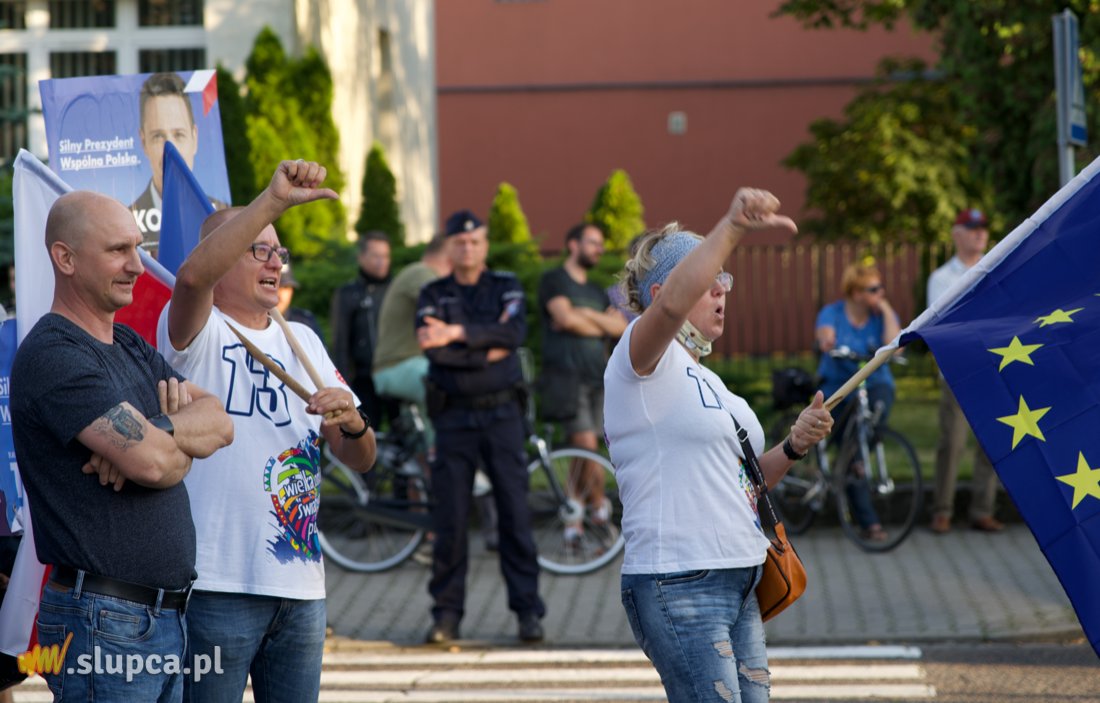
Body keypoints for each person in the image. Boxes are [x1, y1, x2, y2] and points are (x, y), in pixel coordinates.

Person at [157, 160, 377, 703]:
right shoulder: (196, 332)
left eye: (279, 251)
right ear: (226, 254)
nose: (275, 261)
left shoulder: (302, 336)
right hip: (215, 586)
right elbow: (191, 279)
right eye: (259, 248)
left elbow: (360, 456)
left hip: (300, 589)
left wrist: (353, 421)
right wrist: (272, 201)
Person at [604, 190, 832, 703]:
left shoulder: (710, 381)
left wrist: (793, 446)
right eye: (711, 281)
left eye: (725, 281)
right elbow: (670, 306)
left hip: (740, 577)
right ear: (668, 291)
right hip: (678, 581)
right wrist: (731, 227)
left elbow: (744, 484)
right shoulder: (639, 358)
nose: (722, 291)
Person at [12, 190, 233, 702]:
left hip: (158, 618)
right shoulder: (53, 354)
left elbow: (220, 420)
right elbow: (154, 465)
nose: (137, 264)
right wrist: (160, 445)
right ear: (64, 258)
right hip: (103, 621)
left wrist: (160, 429)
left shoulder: (130, 344)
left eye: (136, 247)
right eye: (118, 250)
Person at [416, 209, 545, 644]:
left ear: (484, 246)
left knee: (515, 514)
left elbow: (512, 336)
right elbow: (436, 355)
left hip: (502, 416)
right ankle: (446, 616)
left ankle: (529, 613)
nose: (467, 247)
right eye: (460, 242)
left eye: (475, 241)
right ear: (450, 247)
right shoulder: (432, 292)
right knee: (450, 519)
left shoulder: (506, 285)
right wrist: (485, 348)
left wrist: (453, 334)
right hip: (453, 417)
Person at [537, 223, 626, 542]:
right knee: (586, 446)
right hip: (567, 378)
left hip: (598, 377)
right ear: (573, 244)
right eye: (593, 243)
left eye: (601, 244)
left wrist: (581, 318)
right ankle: (598, 511)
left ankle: (575, 516)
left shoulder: (595, 291)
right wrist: (594, 322)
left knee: (587, 449)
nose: (599, 249)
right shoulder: (554, 280)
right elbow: (565, 319)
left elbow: (618, 329)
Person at [929, 209, 1003, 533]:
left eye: (983, 228)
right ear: (956, 233)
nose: (979, 233)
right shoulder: (942, 278)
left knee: (993, 444)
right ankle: (941, 510)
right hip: (958, 373)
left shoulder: (998, 266)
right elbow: (944, 326)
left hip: (992, 369)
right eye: (972, 228)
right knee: (953, 443)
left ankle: (981, 510)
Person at [814, 261, 900, 541]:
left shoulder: (880, 315)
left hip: (874, 383)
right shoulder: (833, 312)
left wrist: (885, 308)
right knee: (850, 452)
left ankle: (859, 456)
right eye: (874, 289)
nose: (881, 292)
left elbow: (895, 341)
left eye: (880, 287)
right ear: (856, 293)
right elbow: (824, 333)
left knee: (875, 415)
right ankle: (868, 522)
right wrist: (827, 340)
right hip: (839, 386)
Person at [131, 72, 227, 252]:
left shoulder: (225, 220)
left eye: (179, 134)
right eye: (158, 136)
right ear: (144, 142)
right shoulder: (126, 225)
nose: (170, 151)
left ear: (194, 138)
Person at [372, 233, 452, 434]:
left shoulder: (422, 273)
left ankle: (430, 454)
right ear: (448, 250)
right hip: (396, 366)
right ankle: (444, 457)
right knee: (450, 383)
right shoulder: (423, 272)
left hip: (403, 365)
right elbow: (447, 313)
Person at [331, 230, 396, 429]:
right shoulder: (347, 294)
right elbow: (340, 344)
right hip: (363, 379)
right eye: (376, 256)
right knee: (366, 436)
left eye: (385, 256)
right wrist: (344, 388)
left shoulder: (397, 289)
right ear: (361, 257)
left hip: (396, 374)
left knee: (406, 439)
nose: (381, 262)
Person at [277, 262, 326, 345]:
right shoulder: (251, 327)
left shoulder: (306, 323)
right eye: (275, 286)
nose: (280, 295)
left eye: (285, 287)